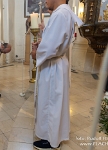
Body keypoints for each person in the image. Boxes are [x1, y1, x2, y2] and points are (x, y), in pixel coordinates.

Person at [32, 0, 83, 149]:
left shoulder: (60, 14)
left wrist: (36, 53)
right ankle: (54, 136)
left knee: (50, 102)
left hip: (52, 66)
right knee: (54, 101)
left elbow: (50, 48)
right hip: (56, 63)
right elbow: (55, 42)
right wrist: (43, 41)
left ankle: (50, 140)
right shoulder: (63, 13)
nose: (45, 1)